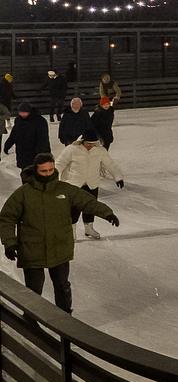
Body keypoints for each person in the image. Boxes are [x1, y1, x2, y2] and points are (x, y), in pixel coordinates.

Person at [1, 153, 118, 313]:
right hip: (32, 249)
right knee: (34, 290)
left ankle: (65, 320)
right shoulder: (23, 193)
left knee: (62, 286)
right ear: (36, 171)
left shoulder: (64, 189)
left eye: (51, 170)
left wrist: (107, 213)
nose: (48, 174)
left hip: (59, 247)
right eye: (44, 171)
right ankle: (31, 318)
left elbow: (87, 201)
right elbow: (7, 218)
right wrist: (10, 242)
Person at [56, 129, 124, 240]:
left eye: (92, 144)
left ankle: (89, 228)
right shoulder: (72, 149)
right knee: (74, 209)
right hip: (74, 184)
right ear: (82, 141)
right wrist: (52, 178)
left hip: (92, 183)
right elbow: (59, 163)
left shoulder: (100, 150)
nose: (90, 146)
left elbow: (110, 164)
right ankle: (71, 231)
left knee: (91, 207)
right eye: (88, 144)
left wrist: (118, 177)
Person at [4, 105, 49, 170]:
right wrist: (8, 145)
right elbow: (14, 134)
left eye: (24, 113)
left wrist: (41, 153)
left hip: (35, 152)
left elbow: (43, 138)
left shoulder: (39, 121)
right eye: (21, 113)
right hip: (22, 152)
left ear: (29, 112)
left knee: (35, 171)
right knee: (25, 172)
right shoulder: (18, 120)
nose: (22, 114)